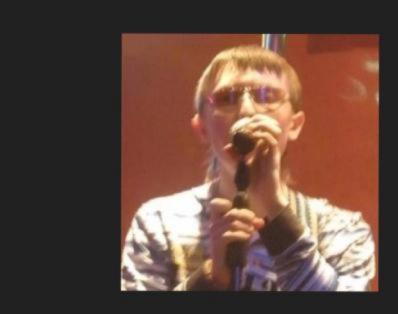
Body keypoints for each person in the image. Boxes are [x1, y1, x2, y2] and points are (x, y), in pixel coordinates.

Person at [121, 45, 375, 291]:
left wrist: (278, 218)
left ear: (295, 125)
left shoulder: (341, 229)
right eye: (227, 98)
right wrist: (211, 278)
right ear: (202, 128)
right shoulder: (158, 222)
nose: (246, 110)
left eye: (266, 96)